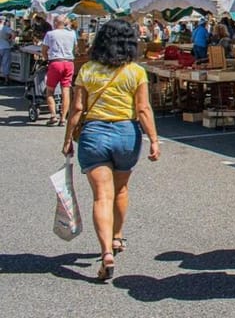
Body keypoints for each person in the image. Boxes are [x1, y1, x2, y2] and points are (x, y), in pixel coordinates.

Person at [60, 19, 161, 282]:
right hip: (126, 134)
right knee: (122, 189)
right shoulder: (136, 72)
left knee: (101, 197)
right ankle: (117, 236)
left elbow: (77, 109)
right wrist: (154, 139)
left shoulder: (88, 70)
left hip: (94, 134)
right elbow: (143, 109)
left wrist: (68, 138)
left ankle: (106, 252)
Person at [42, 14, 77, 126]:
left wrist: (47, 59)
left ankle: (53, 116)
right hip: (69, 63)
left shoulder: (50, 34)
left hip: (55, 63)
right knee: (66, 91)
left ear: (56, 23)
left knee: (50, 90)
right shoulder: (72, 33)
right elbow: (75, 48)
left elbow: (44, 50)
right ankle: (63, 118)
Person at [0, 16, 14, 85]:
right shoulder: (5, 28)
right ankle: (6, 80)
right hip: (5, 47)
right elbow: (13, 33)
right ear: (3, 21)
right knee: (6, 64)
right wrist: (10, 40)